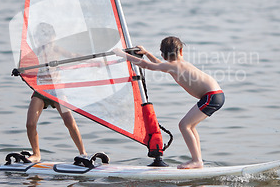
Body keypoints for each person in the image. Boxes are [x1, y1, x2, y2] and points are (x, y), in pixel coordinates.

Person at [114, 36, 224, 169]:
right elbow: (158, 65)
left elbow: (147, 65)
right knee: (190, 126)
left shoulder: (171, 65)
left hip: (211, 96)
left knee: (184, 125)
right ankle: (197, 160)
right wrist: (147, 53)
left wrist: (124, 55)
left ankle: (197, 160)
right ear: (181, 51)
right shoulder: (178, 64)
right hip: (215, 95)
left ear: (163, 55)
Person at [25, 23, 87, 163]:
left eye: (48, 36)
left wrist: (91, 60)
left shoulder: (57, 50)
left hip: (57, 91)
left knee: (69, 121)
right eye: (41, 37)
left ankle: (83, 153)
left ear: (53, 37)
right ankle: (36, 154)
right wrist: (20, 69)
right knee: (30, 123)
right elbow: (24, 65)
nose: (45, 40)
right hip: (41, 91)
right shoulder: (35, 52)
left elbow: (73, 56)